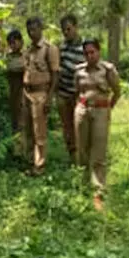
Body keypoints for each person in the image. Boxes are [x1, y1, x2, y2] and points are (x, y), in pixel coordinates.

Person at [73, 38, 121, 211]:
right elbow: (77, 91)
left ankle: (98, 191)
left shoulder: (107, 70)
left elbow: (117, 91)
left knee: (99, 150)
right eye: (86, 53)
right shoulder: (79, 71)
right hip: (82, 110)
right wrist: (80, 107)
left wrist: (107, 107)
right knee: (82, 148)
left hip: (101, 111)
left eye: (92, 52)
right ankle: (82, 184)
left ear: (99, 52)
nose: (89, 56)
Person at [22, 17, 60, 176]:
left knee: (40, 131)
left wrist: (49, 98)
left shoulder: (49, 49)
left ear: (41, 29)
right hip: (27, 93)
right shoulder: (28, 50)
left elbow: (55, 75)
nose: (31, 33)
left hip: (41, 93)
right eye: (29, 30)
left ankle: (40, 165)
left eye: (34, 29)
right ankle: (30, 161)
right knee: (28, 130)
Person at [57, 14, 84, 163]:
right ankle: (72, 156)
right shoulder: (61, 47)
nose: (66, 33)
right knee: (66, 126)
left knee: (79, 125)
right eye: (64, 30)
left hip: (78, 94)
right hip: (63, 92)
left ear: (75, 27)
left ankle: (82, 155)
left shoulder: (85, 46)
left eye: (68, 29)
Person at [5, 29, 25, 134]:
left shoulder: (27, 55)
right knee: (14, 115)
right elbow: (9, 69)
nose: (12, 45)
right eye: (10, 43)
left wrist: (16, 69)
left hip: (24, 90)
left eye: (14, 42)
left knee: (23, 114)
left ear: (21, 42)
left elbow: (24, 68)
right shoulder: (9, 56)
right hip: (13, 89)